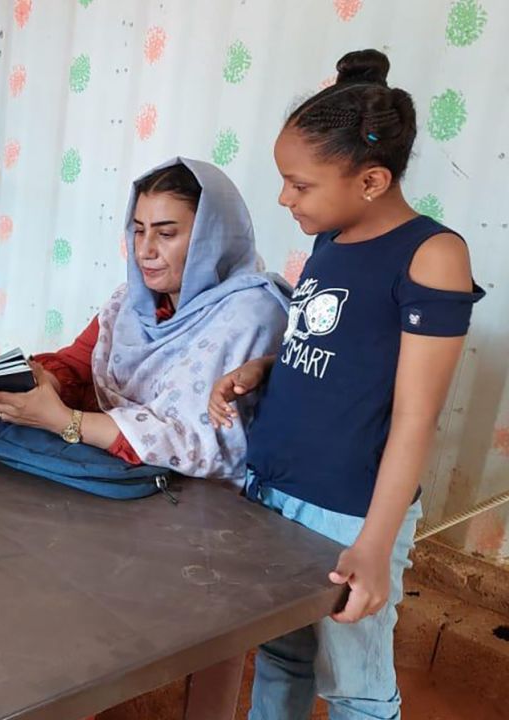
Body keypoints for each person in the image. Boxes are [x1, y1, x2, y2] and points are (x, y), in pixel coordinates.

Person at [209, 50, 483, 720]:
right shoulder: (332, 237)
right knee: (279, 655)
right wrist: (265, 369)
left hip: (349, 508)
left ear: (370, 180)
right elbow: (342, 347)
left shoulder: (433, 256)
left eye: (299, 185)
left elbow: (416, 415)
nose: (283, 197)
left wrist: (372, 543)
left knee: (355, 682)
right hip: (278, 484)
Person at [0, 158, 289, 486]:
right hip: (122, 478)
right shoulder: (132, 302)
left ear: (213, 238)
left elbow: (201, 444)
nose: (144, 251)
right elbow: (79, 362)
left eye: (166, 233)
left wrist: (64, 421)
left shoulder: (251, 315)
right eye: (139, 231)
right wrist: (40, 386)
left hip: (202, 502)